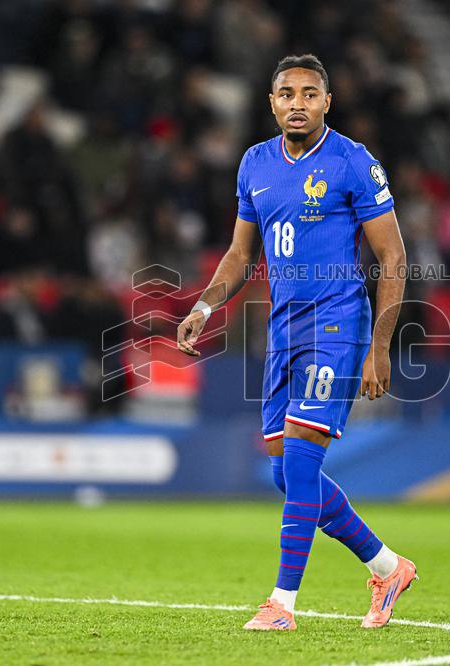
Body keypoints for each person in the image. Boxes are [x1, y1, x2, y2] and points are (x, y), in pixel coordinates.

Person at [177, 54, 416, 631]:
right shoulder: (255, 163)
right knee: (288, 475)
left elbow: (393, 256)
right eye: (288, 93)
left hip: (337, 324)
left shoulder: (353, 162)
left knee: (304, 456)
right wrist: (206, 305)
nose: (298, 103)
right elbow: (240, 255)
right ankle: (389, 567)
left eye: (311, 93)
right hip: (283, 331)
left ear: (327, 102)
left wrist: (380, 347)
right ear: (272, 101)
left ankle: (282, 604)